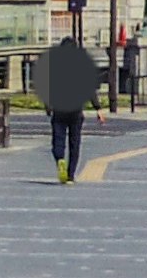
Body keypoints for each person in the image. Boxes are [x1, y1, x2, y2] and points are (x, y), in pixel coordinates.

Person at [40, 33, 104, 178]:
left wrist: (48, 106)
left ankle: (60, 159)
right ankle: (70, 175)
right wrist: (98, 109)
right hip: (76, 111)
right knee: (75, 143)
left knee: (58, 140)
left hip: (59, 110)